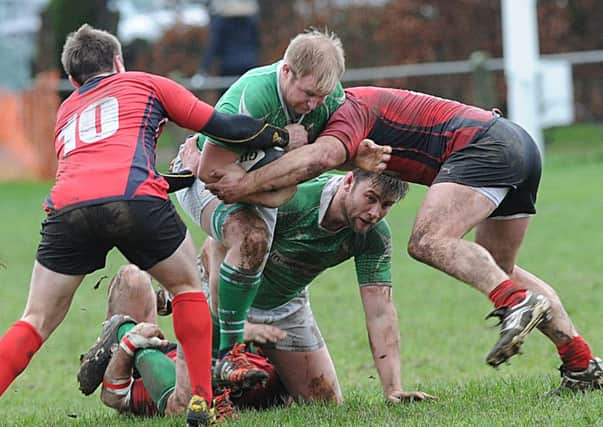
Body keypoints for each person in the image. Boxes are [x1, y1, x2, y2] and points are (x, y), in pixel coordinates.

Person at [205, 86, 603, 394]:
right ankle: (580, 364)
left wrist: (242, 185)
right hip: (517, 145)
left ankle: (514, 301)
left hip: (486, 145)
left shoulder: (349, 111)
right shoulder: (356, 116)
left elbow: (317, 159)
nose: (304, 114)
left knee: (427, 239)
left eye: (310, 105)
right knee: (501, 269)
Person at [0, 23, 297, 427]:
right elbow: (221, 126)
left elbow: (98, 173)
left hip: (68, 208)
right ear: (118, 62)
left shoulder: (65, 110)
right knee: (187, 287)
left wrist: (174, 180)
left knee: (34, 319)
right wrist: (279, 135)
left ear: (73, 79)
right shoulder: (145, 83)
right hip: (135, 200)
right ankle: (201, 404)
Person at [172, 28, 346, 392]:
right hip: (201, 180)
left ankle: (208, 305)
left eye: (323, 96)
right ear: (286, 72)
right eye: (308, 93)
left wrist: (283, 182)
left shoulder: (330, 99)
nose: (314, 105)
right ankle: (229, 354)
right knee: (250, 238)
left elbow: (327, 160)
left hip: (249, 182)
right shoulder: (253, 97)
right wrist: (282, 179)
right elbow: (212, 172)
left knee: (325, 398)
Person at [197, 169, 434, 403]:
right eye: (370, 198)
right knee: (192, 399)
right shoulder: (293, 198)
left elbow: (380, 311)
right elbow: (216, 247)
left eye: (386, 205)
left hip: (286, 305)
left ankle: (266, 368)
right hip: (225, 298)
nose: (375, 213)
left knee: (325, 401)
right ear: (349, 181)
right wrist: (236, 321)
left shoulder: (374, 236)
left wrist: (393, 388)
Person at [78, 264, 286, 420]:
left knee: (131, 279)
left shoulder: (173, 389)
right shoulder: (263, 369)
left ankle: (117, 332)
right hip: (198, 350)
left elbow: (113, 396)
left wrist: (129, 344)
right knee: (133, 277)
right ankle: (171, 300)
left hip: (158, 359)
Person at [192, 0, 260, 90]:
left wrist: (203, 70)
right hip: (249, 65)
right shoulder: (250, 20)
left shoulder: (221, 22)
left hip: (228, 67)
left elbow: (214, 46)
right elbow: (256, 43)